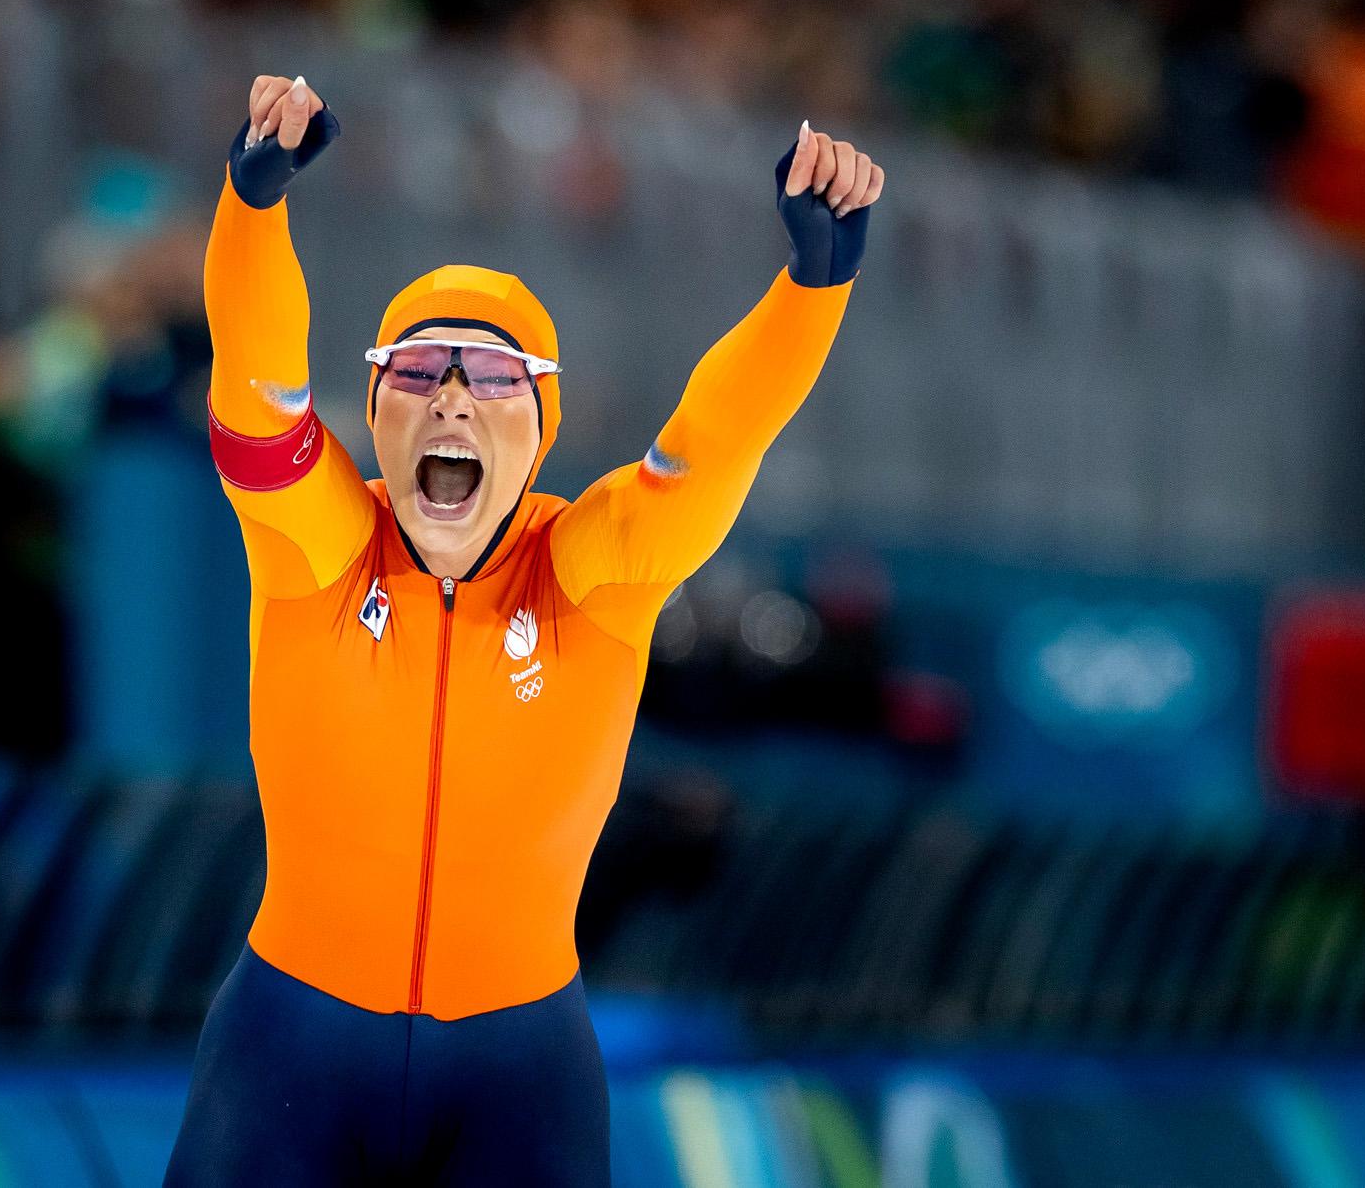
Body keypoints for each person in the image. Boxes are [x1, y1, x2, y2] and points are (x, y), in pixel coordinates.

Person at [160, 73, 882, 1186]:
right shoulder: (314, 545)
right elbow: (257, 392)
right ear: (378, 408)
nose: (451, 393)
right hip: (289, 1045)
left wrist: (812, 286)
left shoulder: (590, 569)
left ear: (538, 427)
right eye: (417, 367)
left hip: (517, 1066)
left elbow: (716, 440)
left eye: (492, 373)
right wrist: (252, 207)